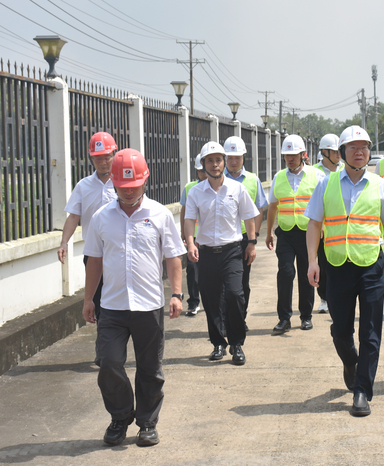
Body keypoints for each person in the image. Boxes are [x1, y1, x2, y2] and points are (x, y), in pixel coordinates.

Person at [82, 149, 186, 447]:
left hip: (148, 306)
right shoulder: (101, 217)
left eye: (134, 186)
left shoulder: (160, 214)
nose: (128, 192)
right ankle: (120, 416)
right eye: (122, 186)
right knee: (108, 363)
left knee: (150, 368)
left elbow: (173, 257)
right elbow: (94, 261)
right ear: (113, 183)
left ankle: (147, 423)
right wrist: (88, 299)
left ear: (145, 181)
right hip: (112, 307)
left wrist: (176, 294)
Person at [306, 125, 384, 417]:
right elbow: (314, 224)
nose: (360, 152)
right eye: (353, 147)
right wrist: (312, 261)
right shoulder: (326, 184)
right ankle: (350, 361)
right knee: (340, 330)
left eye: (364, 147)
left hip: (371, 265)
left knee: (370, 331)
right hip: (336, 266)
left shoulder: (380, 185)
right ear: (342, 153)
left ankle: (362, 391)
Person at [184, 141, 258, 364]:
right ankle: (218, 343)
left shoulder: (237, 189)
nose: (215, 164)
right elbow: (189, 220)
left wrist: (252, 243)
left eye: (218, 160)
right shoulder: (196, 192)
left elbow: (249, 216)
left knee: (235, 295)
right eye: (210, 161)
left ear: (224, 162)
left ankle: (237, 343)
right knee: (211, 299)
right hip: (206, 253)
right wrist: (190, 243)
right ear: (203, 164)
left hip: (232, 251)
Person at [59, 132, 118, 364]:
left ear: (114, 154)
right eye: (98, 157)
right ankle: (104, 348)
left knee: (119, 303)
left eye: (107, 156)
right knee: (99, 302)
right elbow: (73, 216)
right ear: (91, 158)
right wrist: (64, 242)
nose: (103, 162)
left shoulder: (123, 183)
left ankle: (114, 346)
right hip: (94, 255)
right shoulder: (83, 186)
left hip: (119, 253)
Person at [266, 135, 324, 334]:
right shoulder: (278, 177)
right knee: (286, 272)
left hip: (308, 233)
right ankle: (284, 318)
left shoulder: (317, 176)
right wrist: (269, 232)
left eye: (293, 155)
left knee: (307, 274)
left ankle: (306, 316)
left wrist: (324, 228)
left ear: (302, 154)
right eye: (286, 155)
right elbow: (272, 206)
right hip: (286, 233)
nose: (290, 159)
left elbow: (325, 204)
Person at [224, 136, 268, 322]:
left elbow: (259, 208)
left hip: (244, 238)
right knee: (223, 285)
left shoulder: (252, 180)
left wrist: (253, 238)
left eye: (237, 157)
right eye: (230, 157)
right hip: (223, 238)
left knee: (242, 282)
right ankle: (225, 320)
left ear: (244, 157)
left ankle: (240, 319)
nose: (234, 161)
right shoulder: (217, 179)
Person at [313, 133, 343, 314]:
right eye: (334, 151)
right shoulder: (314, 173)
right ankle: (324, 298)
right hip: (323, 227)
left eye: (340, 151)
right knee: (324, 263)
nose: (339, 154)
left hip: (340, 225)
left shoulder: (345, 170)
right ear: (324, 152)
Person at [179, 153, 207, 316]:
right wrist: (183, 232)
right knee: (192, 269)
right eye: (200, 171)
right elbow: (183, 210)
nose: (203, 174)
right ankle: (193, 302)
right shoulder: (190, 188)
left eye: (205, 170)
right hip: (194, 236)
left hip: (210, 237)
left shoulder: (218, 187)